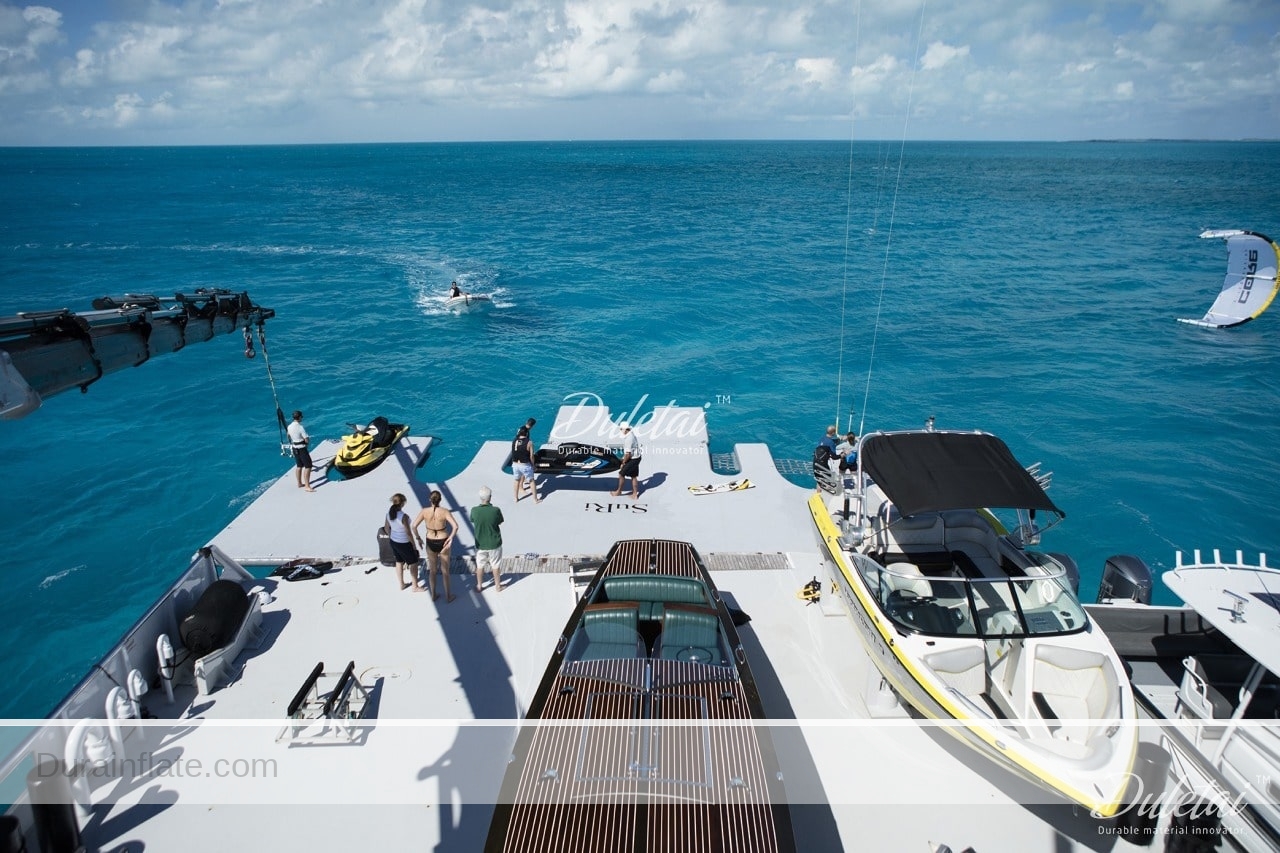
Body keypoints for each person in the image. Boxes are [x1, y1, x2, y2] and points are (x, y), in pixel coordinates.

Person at [413, 490, 457, 602]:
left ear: (429, 500)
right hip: (443, 541)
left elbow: (414, 526)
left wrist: (418, 538)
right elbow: (455, 526)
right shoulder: (445, 511)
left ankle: (433, 595)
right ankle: (448, 596)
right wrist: (450, 538)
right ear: (440, 500)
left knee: (432, 570)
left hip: (430, 540)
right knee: (445, 571)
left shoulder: (424, 511)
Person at [385, 493, 424, 591]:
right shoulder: (404, 516)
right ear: (402, 503)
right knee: (413, 563)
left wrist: (392, 537)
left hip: (394, 541)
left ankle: (401, 584)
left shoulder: (388, 514)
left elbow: (386, 528)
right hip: (404, 543)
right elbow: (408, 533)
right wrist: (414, 545)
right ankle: (415, 586)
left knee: (399, 562)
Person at [470, 486, 505, 591]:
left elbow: (472, 520)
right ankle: (498, 586)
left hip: (480, 544)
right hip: (494, 543)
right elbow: (500, 521)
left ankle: (479, 586)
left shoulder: (474, 510)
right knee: (495, 565)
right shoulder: (495, 510)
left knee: (480, 565)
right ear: (490, 497)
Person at [510, 419, 540, 504]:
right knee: (531, 481)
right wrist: (533, 465)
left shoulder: (515, 439)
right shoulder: (529, 441)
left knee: (516, 479)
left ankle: (516, 498)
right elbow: (531, 455)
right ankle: (535, 499)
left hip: (515, 464)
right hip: (524, 464)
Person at [611, 421, 642, 499]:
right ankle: (635, 494)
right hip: (637, 457)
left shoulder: (629, 439)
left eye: (621, 429)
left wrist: (623, 462)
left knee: (621, 474)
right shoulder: (631, 434)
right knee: (633, 476)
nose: (620, 430)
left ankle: (619, 491)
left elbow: (628, 454)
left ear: (625, 429)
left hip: (633, 459)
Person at [287, 410, 315, 492]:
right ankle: (307, 486)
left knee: (299, 466)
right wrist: (306, 444)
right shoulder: (300, 427)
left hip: (294, 448)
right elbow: (306, 439)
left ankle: (299, 483)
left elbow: (288, 435)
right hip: (302, 448)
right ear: (299, 417)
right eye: (301, 416)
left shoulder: (289, 426)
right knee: (308, 466)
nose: (302, 418)